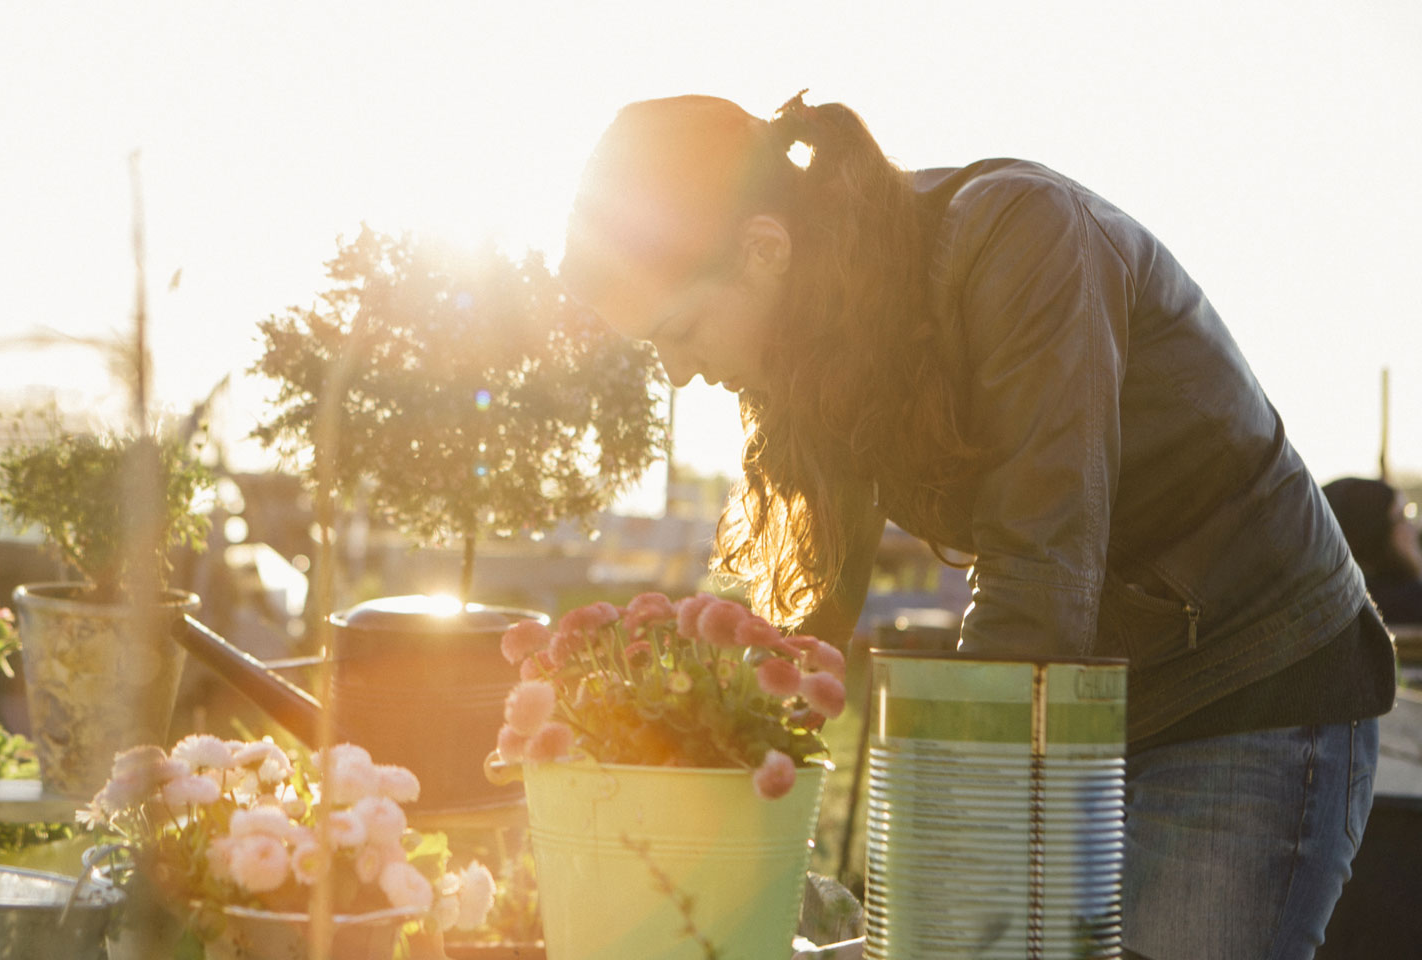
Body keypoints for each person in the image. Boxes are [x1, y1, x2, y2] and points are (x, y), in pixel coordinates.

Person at [559, 92, 1396, 960]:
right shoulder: (820, 342)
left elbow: (1040, 572)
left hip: (1251, 682)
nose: (681, 374)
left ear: (765, 249)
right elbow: (810, 610)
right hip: (1098, 695)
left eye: (680, 331)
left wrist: (932, 902)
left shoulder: (1022, 238)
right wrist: (717, 786)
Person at [1323, 476, 1422, 623]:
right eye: (1403, 516)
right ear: (1375, 533)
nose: (1414, 528)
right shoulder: (1410, 603)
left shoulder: (1330, 609)